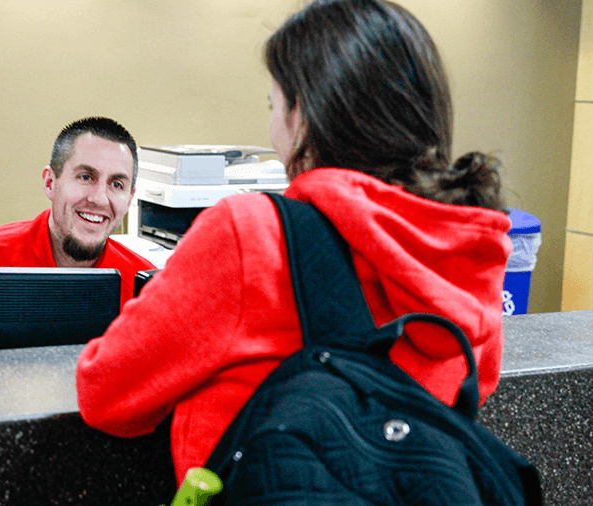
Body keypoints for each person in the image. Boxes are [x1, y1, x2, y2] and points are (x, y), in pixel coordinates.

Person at [76, 0, 512, 486]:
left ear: (302, 113)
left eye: (273, 104)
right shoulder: (469, 245)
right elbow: (477, 385)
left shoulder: (253, 232)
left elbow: (106, 393)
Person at [0, 117, 156, 308]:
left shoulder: (149, 290)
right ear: (50, 183)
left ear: (129, 199)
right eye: (86, 177)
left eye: (116, 184)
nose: (99, 199)